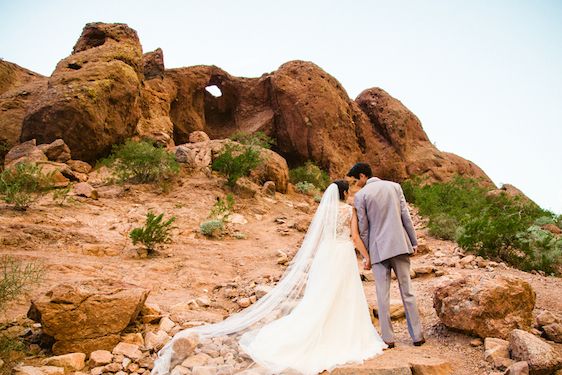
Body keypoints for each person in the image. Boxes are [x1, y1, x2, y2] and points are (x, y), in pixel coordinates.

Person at [152, 180, 386, 375]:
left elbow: (319, 237)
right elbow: (355, 237)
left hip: (327, 254)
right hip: (342, 254)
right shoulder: (348, 210)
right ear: (345, 193)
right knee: (344, 295)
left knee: (320, 295)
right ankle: (343, 331)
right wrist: (366, 256)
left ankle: (319, 328)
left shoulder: (325, 212)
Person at [347, 163, 425, 348]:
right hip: (399, 246)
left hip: (378, 251)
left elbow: (364, 229)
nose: (356, 184)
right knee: (408, 291)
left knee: (382, 295)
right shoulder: (394, 187)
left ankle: (388, 339)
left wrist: (367, 255)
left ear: (363, 176)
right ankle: (417, 336)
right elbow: (405, 216)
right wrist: (414, 242)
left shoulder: (361, 196)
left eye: (356, 180)